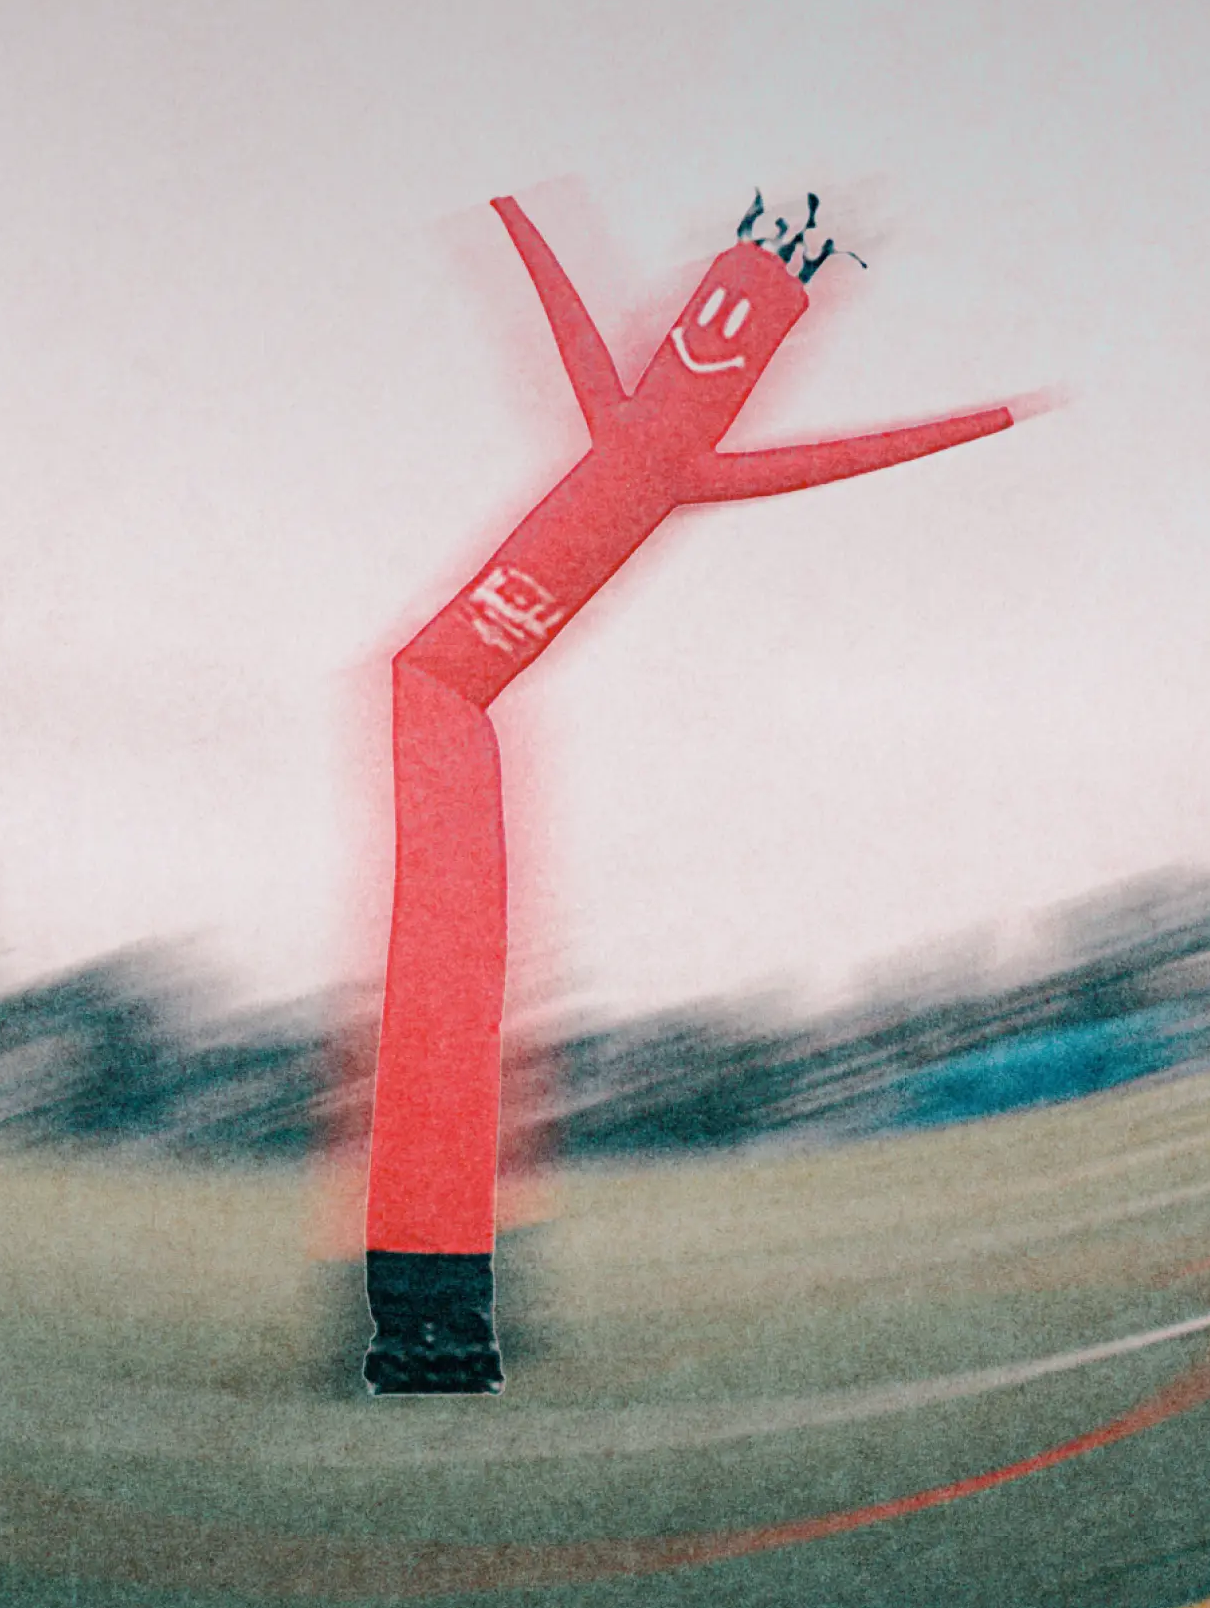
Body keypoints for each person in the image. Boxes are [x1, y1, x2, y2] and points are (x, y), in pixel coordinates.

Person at [362, 192, 1053, 1393]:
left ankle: (431, 1312)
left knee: (449, 933)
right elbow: (845, 449)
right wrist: (520, 221)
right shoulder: (674, 451)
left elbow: (598, 339)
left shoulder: (659, 444)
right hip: (448, 686)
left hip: (449, 684)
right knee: (449, 917)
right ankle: (431, 1312)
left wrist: (523, 222)